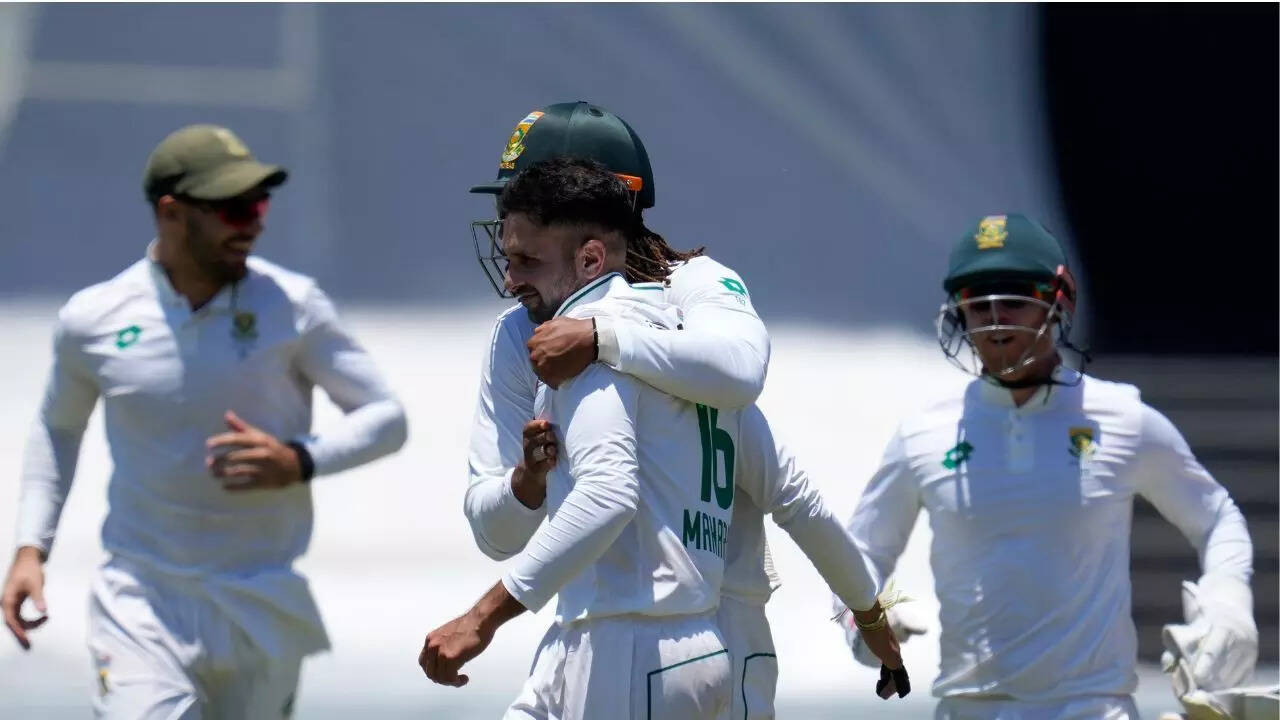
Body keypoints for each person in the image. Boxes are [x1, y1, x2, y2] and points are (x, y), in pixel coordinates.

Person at [462, 102, 903, 716]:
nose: (510, 248)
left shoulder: (692, 286)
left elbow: (741, 373)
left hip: (711, 626)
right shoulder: (521, 330)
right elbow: (495, 531)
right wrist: (525, 484)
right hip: (591, 624)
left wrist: (600, 337)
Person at [1, 124, 407, 718]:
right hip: (141, 600)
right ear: (172, 212)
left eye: (259, 205)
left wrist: (299, 459)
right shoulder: (94, 318)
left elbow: (387, 416)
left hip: (261, 601)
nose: (253, 224)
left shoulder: (292, 304)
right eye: (234, 209)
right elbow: (58, 429)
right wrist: (31, 548)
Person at [837, 213, 1257, 718]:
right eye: (978, 304)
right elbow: (860, 550)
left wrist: (1228, 601)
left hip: (1092, 707)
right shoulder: (924, 433)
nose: (995, 321)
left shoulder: (1122, 418)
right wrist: (863, 619)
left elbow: (1216, 517)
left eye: (1014, 300)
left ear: (1056, 303)